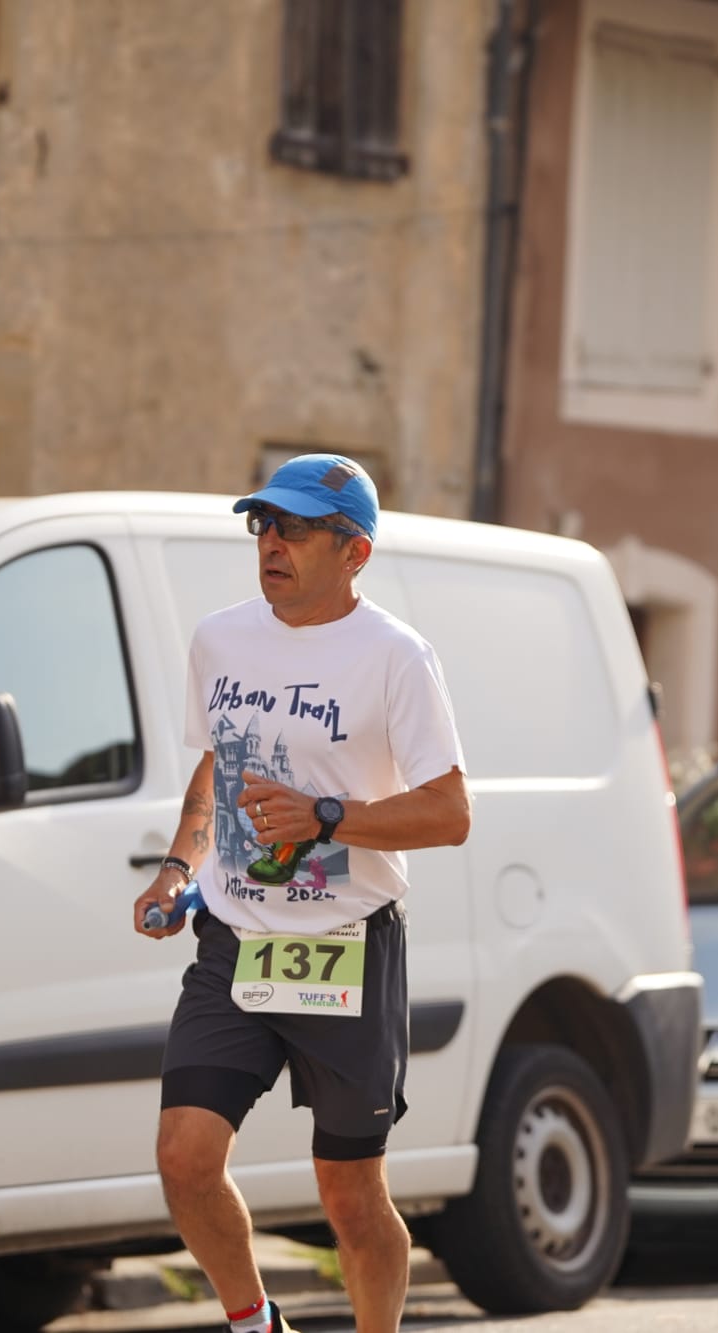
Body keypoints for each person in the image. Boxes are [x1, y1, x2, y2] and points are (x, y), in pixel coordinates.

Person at [133, 454, 471, 1333]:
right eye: (262, 525)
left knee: (351, 1196)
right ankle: (255, 1322)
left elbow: (449, 811)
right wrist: (178, 868)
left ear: (354, 551)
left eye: (293, 528)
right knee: (185, 1157)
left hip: (347, 946)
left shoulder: (396, 656)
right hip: (236, 940)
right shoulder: (220, 638)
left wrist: (327, 817)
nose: (270, 543)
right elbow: (215, 765)